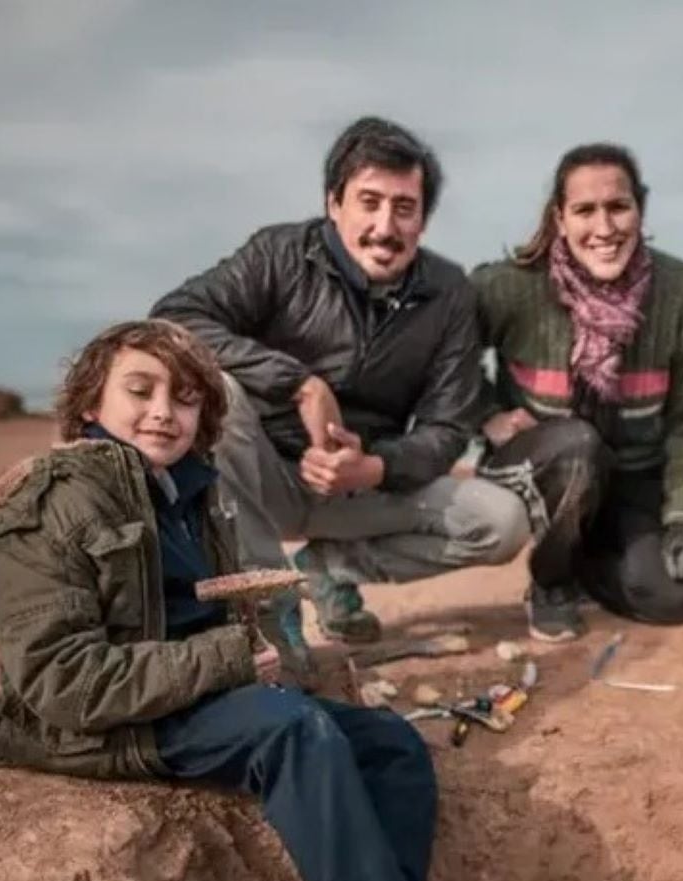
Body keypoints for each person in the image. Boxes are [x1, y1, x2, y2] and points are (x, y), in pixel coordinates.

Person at [0, 319, 502, 881]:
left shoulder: (187, 495)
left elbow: (192, 617)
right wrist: (230, 658)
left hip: (180, 697)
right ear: (88, 407)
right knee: (293, 732)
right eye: (139, 392)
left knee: (390, 745)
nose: (163, 412)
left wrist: (252, 646)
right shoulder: (48, 506)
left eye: (185, 398)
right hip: (89, 726)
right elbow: (62, 683)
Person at [151, 116, 533, 647]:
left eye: (405, 208)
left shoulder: (450, 294)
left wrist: (374, 467)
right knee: (221, 388)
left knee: (502, 521)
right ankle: (268, 607)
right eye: (369, 202)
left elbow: (448, 426)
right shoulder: (279, 253)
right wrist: (298, 384)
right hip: (259, 475)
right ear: (335, 203)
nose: (385, 226)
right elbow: (173, 320)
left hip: (360, 487)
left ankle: (329, 569)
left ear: (423, 219)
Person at [469, 143, 683, 640]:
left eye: (618, 207)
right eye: (585, 211)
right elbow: (441, 355)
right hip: (538, 470)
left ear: (639, 211)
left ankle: (590, 562)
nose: (604, 229)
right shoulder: (508, 287)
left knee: (674, 598)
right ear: (559, 219)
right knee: (577, 446)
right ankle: (552, 581)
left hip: (632, 477)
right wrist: (486, 414)